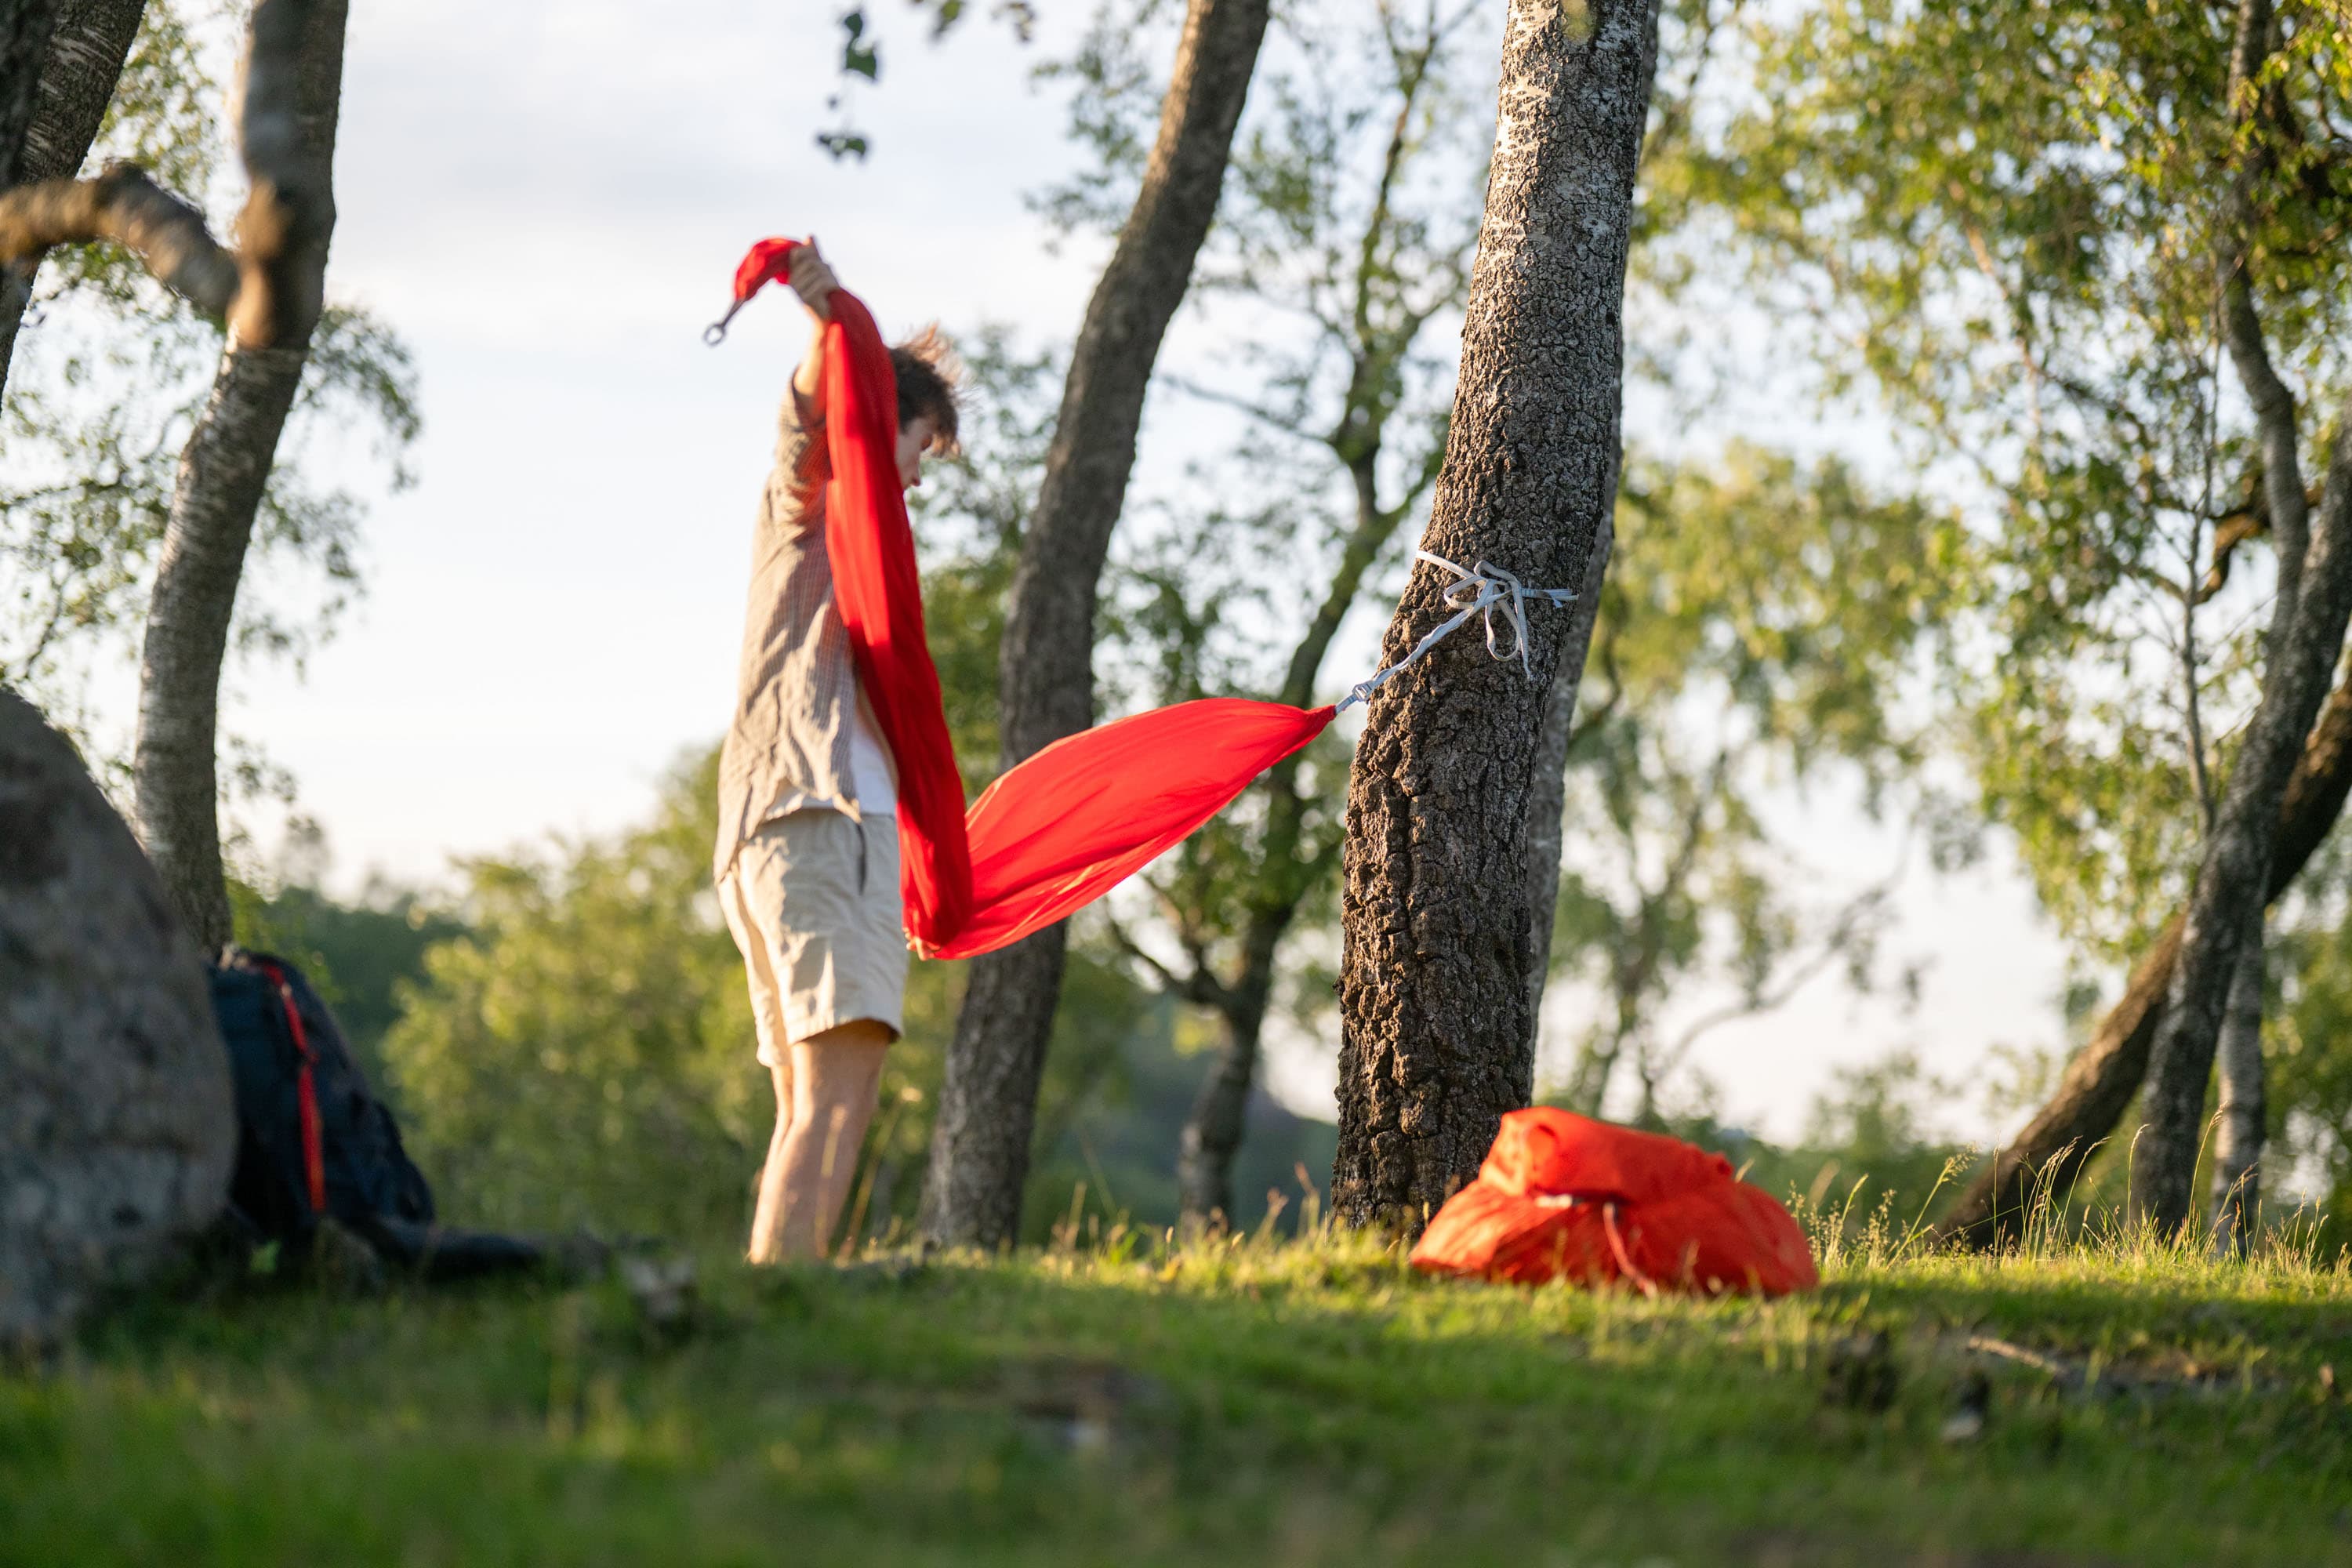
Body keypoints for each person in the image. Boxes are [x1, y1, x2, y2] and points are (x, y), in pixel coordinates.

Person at [713, 239, 960, 1263]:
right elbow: (813, 409)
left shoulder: (840, 542)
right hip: (820, 817)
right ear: (880, 418)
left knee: (809, 1105)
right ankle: (788, 1304)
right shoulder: (810, 503)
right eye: (920, 448)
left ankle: (774, 1305)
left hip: (775, 832)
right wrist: (830, 316)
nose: (916, 475)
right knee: (838, 1098)